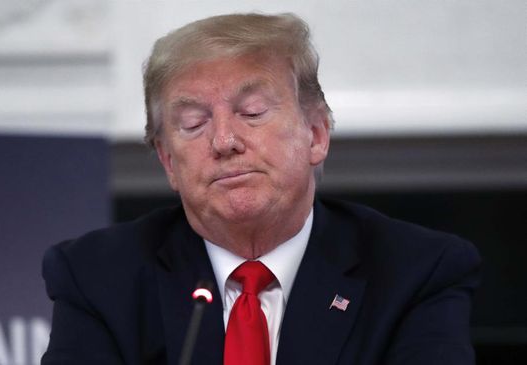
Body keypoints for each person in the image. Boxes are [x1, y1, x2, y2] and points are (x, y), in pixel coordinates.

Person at [41, 13, 481, 365]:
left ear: (316, 134)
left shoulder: (415, 271)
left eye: (251, 112)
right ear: (169, 162)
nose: (224, 141)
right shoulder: (97, 276)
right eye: (194, 124)